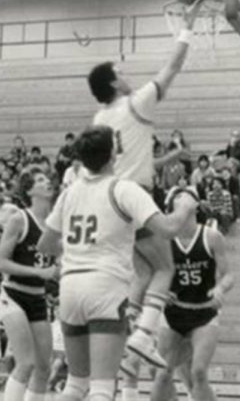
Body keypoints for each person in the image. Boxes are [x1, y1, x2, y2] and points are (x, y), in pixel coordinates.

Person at [37, 126, 198, 401]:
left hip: (70, 286)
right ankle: (143, 335)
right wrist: (185, 204)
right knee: (102, 387)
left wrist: (79, 250)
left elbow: (45, 245)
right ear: (113, 154)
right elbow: (168, 229)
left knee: (75, 385)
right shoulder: (123, 188)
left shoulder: (70, 192)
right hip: (105, 286)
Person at [88, 0, 201, 369]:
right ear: (113, 82)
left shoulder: (100, 119)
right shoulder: (137, 103)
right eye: (119, 71)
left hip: (111, 198)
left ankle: (132, 339)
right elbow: (173, 67)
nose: (125, 73)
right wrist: (188, 26)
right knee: (165, 267)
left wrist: (167, 160)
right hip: (136, 195)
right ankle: (143, 335)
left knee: (143, 271)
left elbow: (129, 159)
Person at [148, 187, 234, 401]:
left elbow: (228, 275)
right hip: (173, 314)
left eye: (185, 196)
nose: (181, 198)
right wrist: (159, 289)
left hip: (204, 313)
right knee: (160, 374)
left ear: (195, 206)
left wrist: (220, 288)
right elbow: (150, 273)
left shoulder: (212, 236)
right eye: (176, 196)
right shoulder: (165, 239)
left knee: (198, 372)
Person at [0, 168, 57, 401]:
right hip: (13, 295)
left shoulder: (54, 224)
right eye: (40, 179)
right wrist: (40, 272)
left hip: (38, 297)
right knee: (26, 362)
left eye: (47, 178)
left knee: (44, 367)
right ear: (30, 190)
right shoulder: (18, 219)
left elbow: (56, 263)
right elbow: (1, 263)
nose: (47, 181)